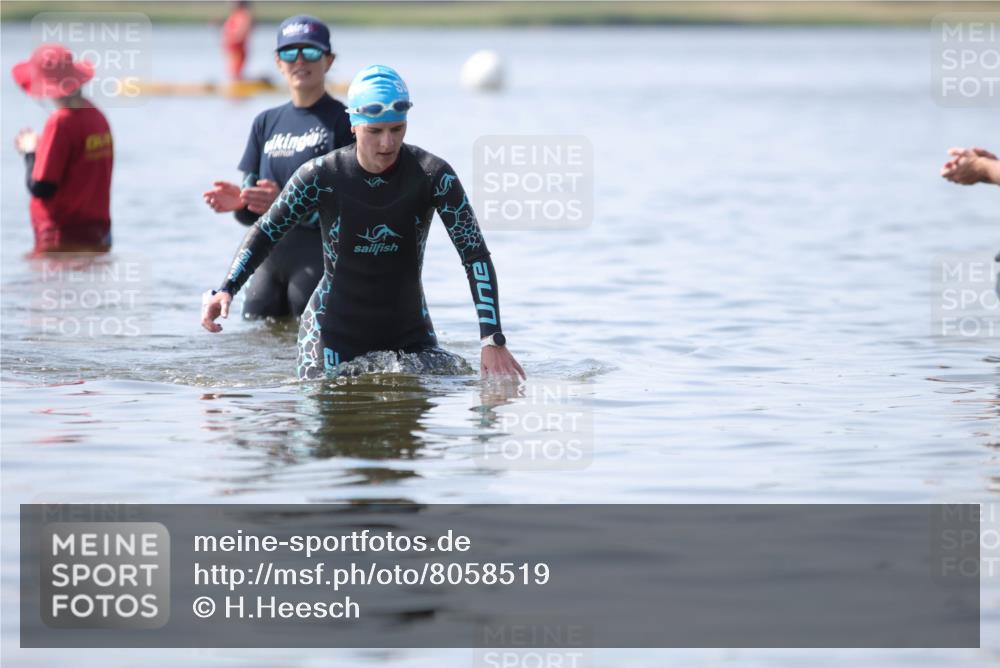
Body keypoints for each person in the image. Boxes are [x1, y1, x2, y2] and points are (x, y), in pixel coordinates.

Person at [202, 65, 525, 381]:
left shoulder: (432, 175)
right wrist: (227, 288)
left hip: (408, 333)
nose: (387, 143)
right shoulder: (320, 175)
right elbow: (266, 231)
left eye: (396, 129)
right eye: (375, 130)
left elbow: (474, 255)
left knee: (482, 386)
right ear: (354, 125)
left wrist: (491, 339)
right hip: (331, 333)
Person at [203, 15, 353, 319]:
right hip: (268, 265)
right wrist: (242, 203)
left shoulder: (344, 122)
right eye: (289, 53)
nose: (299, 60)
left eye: (310, 52)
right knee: (256, 348)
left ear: (329, 59)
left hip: (318, 262)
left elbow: (350, 209)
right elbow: (253, 213)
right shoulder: (265, 123)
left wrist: (283, 203)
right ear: (278, 62)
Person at [11, 44, 113, 255]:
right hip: (98, 231)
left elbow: (42, 187)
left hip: (61, 237)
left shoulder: (60, 122)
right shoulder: (96, 115)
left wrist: (30, 152)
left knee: (50, 287)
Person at [222, 1, 253, 82]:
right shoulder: (235, 15)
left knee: (236, 70)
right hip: (232, 47)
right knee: (233, 70)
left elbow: (243, 31)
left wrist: (235, 38)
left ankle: (237, 85)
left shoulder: (243, 15)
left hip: (238, 47)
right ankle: (235, 83)